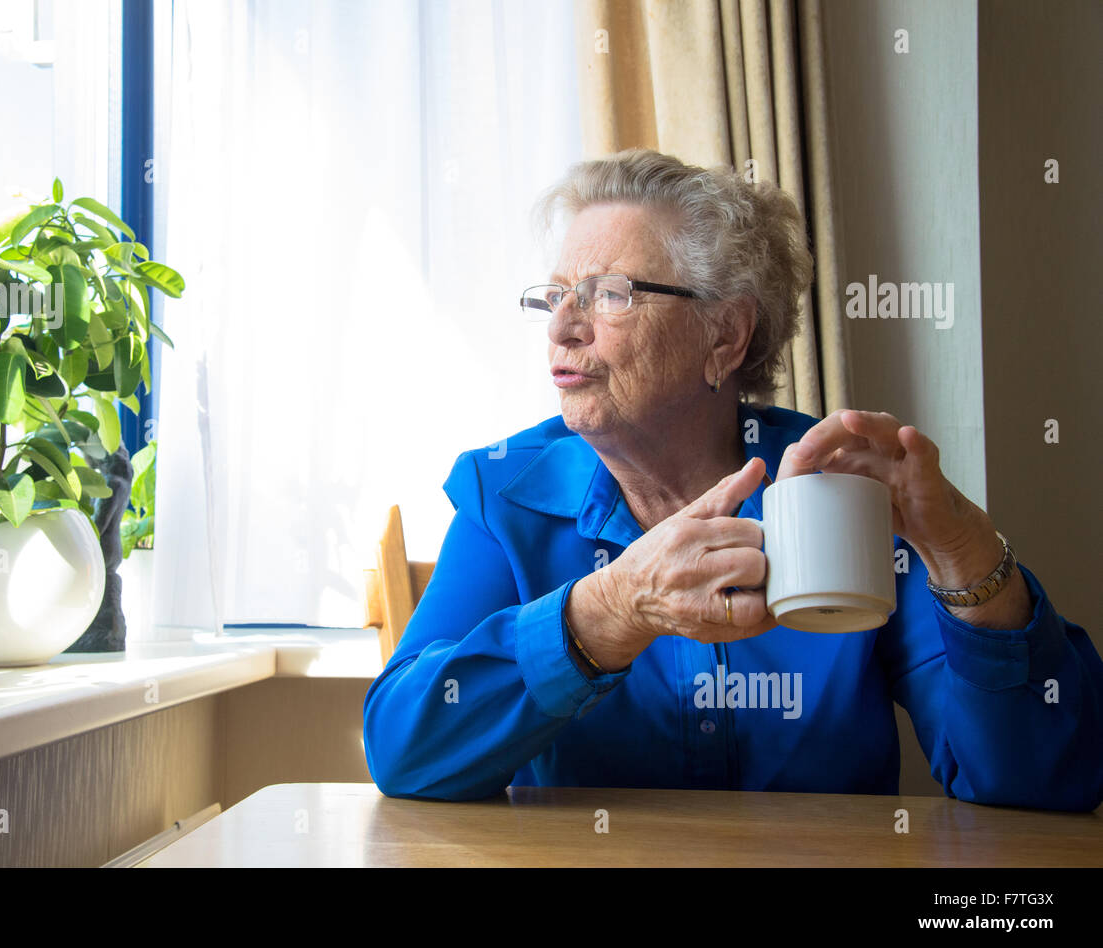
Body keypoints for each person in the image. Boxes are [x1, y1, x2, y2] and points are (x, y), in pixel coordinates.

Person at [363, 149, 1103, 811]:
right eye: (555, 296)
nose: (562, 326)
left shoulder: (837, 489)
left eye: (608, 293)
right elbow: (403, 748)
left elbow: (1043, 780)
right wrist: (610, 609)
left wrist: (964, 548)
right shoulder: (508, 496)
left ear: (725, 334)